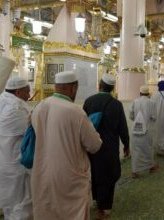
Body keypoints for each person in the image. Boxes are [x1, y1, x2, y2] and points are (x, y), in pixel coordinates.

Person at [31, 71, 102, 220]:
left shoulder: (39, 107)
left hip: (42, 173)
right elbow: (94, 145)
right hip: (70, 177)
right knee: (72, 213)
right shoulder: (75, 111)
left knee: (48, 211)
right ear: (73, 87)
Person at [83, 73, 130, 219]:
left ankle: (97, 201)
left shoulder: (89, 101)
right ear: (112, 88)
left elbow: (82, 125)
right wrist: (126, 144)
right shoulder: (116, 104)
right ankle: (104, 208)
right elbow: (122, 127)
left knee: (94, 173)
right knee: (108, 176)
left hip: (91, 146)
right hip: (109, 147)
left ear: (100, 85)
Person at [0, 77, 32, 220]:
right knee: (22, 204)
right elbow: (32, 130)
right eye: (27, 91)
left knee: (9, 205)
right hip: (16, 166)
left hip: (1, 164)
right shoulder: (17, 108)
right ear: (19, 92)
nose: (29, 95)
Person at [129, 85, 158, 179]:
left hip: (135, 130)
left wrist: (138, 120)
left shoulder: (135, 101)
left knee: (135, 150)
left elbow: (131, 115)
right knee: (148, 149)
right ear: (148, 93)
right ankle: (150, 167)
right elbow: (154, 117)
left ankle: (135, 171)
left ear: (140, 93)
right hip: (147, 130)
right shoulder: (152, 103)